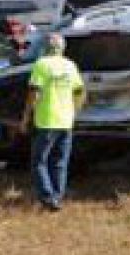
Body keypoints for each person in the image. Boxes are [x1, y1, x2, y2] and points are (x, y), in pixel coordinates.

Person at [21, 33, 84, 211]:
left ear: (45, 47)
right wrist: (75, 110)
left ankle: (48, 197)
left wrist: (26, 117)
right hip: (66, 120)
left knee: (39, 161)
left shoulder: (41, 64)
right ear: (62, 48)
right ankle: (57, 196)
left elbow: (34, 93)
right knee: (60, 161)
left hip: (47, 119)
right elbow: (79, 91)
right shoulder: (70, 65)